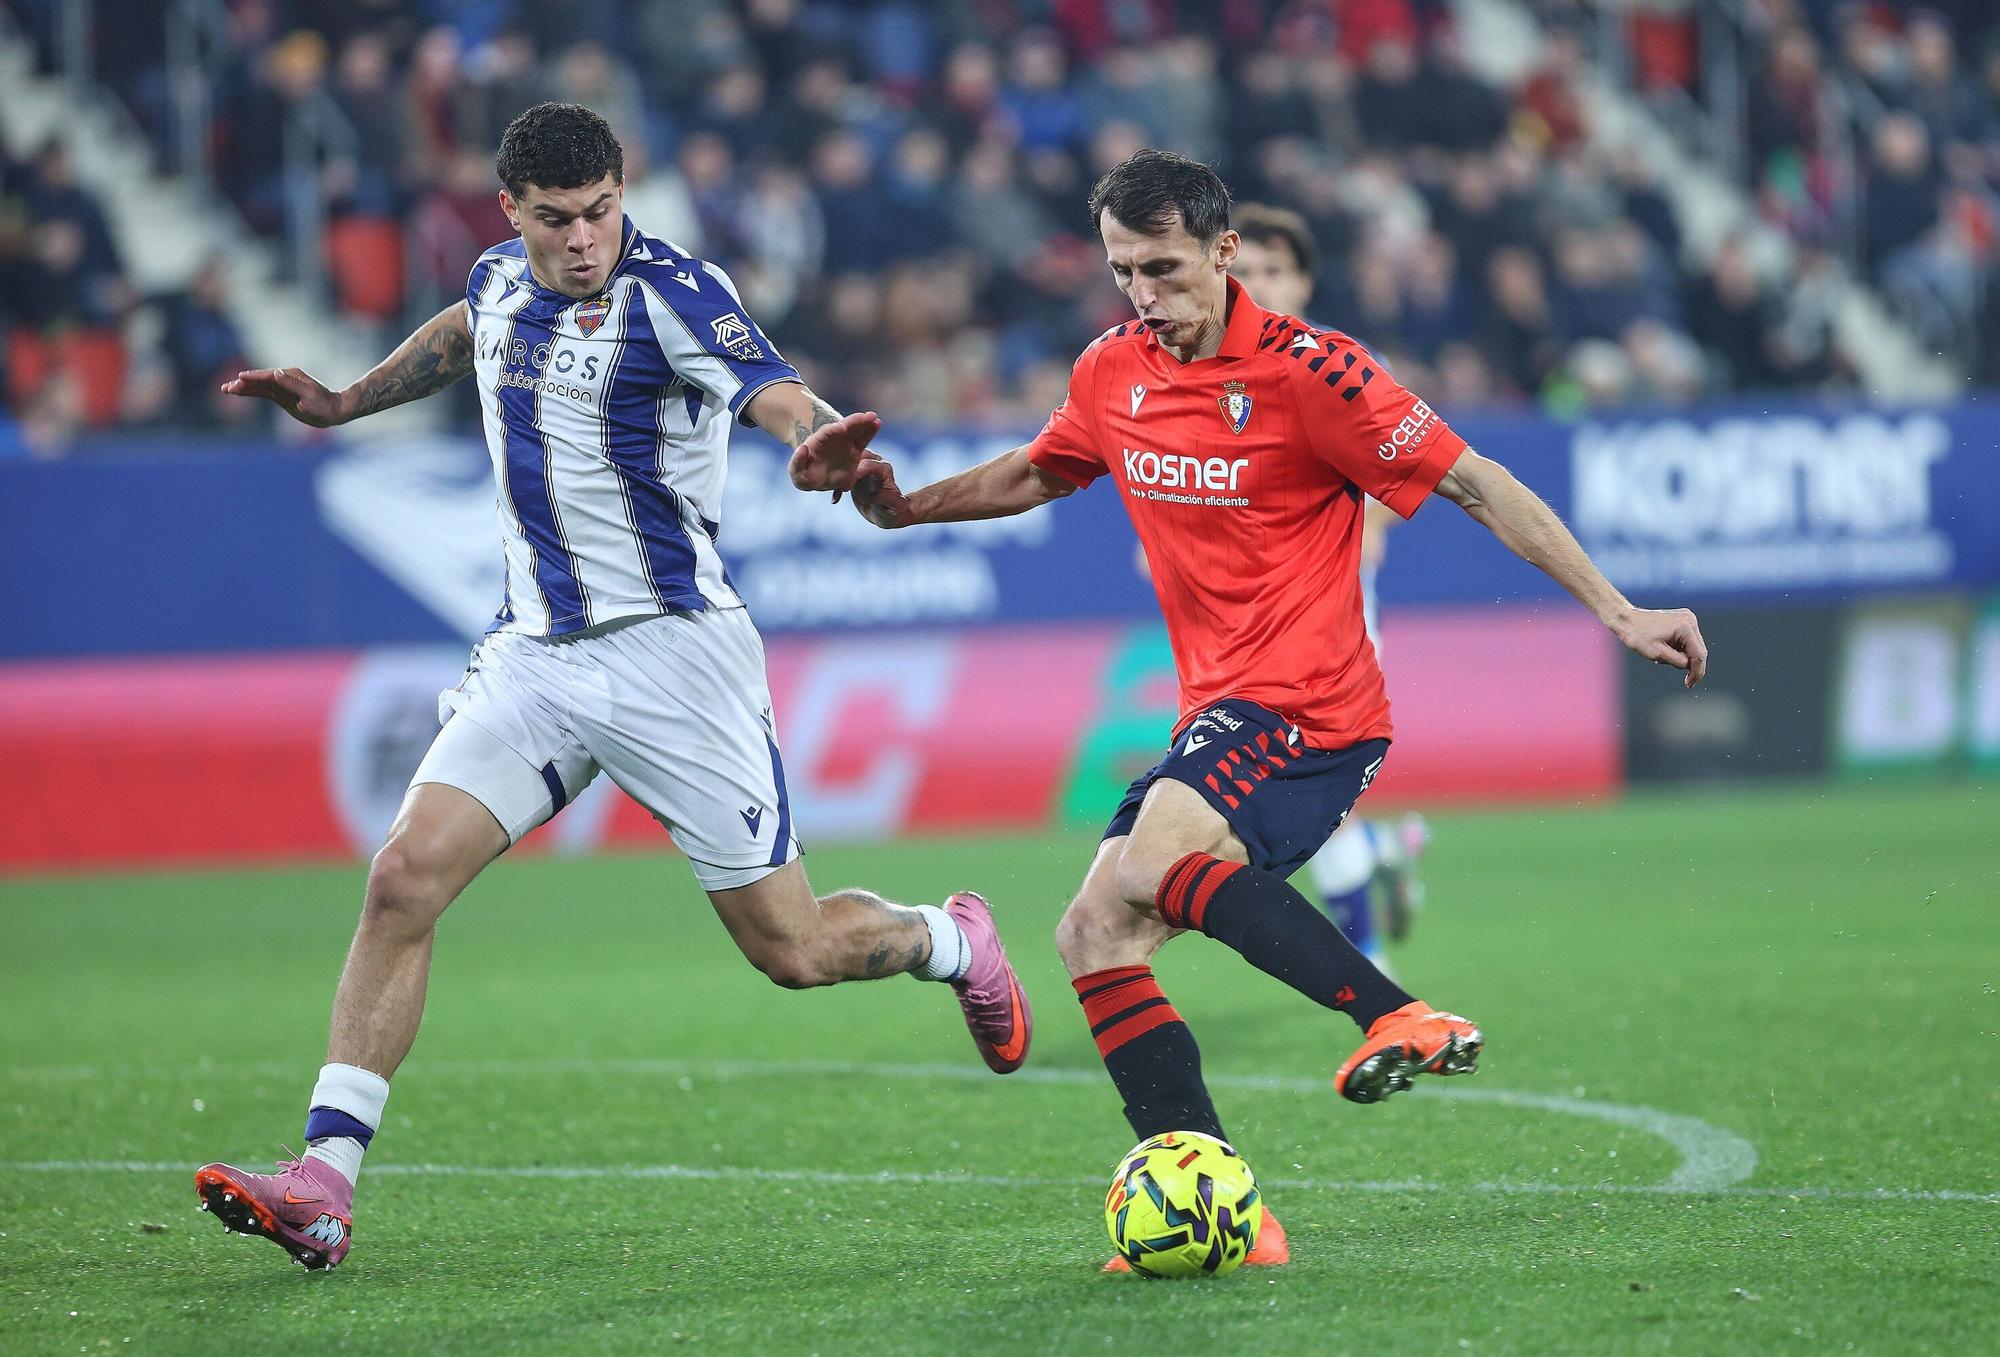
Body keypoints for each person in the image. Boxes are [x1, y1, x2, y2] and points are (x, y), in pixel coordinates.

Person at [792, 150, 1707, 1269]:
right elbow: (1040, 470)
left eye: (1164, 268)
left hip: (1312, 706)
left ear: (1226, 254)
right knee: (1091, 934)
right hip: (1218, 712)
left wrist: (1614, 610)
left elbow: (1474, 483)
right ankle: (1222, 1204)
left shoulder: (1312, 373)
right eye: (1123, 270)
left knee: (1146, 862)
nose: (1143, 293)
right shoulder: (1110, 369)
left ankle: (1391, 1011)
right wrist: (905, 511)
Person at [192, 104, 1033, 1272]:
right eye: (556, 219)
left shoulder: (675, 292)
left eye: (600, 211)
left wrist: (823, 439)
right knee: (401, 878)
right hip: (534, 655)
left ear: (621, 191)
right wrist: (344, 401)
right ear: (512, 214)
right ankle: (325, 1180)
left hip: (673, 656)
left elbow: (775, 390)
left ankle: (950, 938)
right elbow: (462, 333)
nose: (584, 237)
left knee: (790, 950)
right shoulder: (496, 278)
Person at [1234, 203, 1428, 970]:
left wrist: (1372, 517)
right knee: (1291, 793)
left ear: (1304, 281)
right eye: (1243, 272)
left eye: (1273, 272)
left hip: (1328, 613)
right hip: (1240, 623)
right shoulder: (1200, 364)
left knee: (1296, 781)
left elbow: (1408, 463)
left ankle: (1370, 955)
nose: (1257, 285)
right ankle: (1380, 853)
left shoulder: (1337, 363)